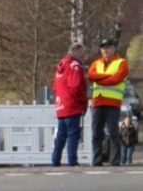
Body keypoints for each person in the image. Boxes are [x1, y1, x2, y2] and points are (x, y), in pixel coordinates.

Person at [86, 35, 129, 165]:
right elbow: (90, 76)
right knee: (96, 133)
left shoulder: (121, 63)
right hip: (98, 102)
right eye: (103, 48)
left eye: (108, 48)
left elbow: (117, 79)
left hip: (112, 103)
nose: (105, 50)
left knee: (113, 133)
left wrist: (100, 79)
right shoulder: (96, 63)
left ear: (114, 49)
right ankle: (97, 160)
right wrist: (108, 76)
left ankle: (115, 160)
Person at [50, 39, 89, 167]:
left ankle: (55, 160)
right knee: (73, 135)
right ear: (76, 53)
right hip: (72, 106)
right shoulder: (75, 67)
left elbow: (55, 87)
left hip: (61, 106)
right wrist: (83, 102)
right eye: (82, 54)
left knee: (61, 135)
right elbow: (76, 87)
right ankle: (72, 161)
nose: (84, 57)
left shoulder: (61, 66)